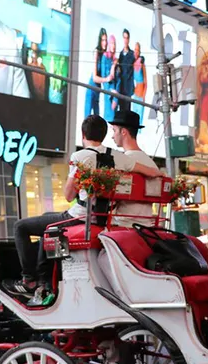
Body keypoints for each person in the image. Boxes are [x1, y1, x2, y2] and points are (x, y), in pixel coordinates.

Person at [8, 115, 160, 303]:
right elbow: (152, 172)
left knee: (21, 227)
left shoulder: (80, 157)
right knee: (48, 220)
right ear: (103, 135)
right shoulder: (118, 157)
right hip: (102, 217)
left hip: (81, 216)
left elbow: (68, 196)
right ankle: (43, 278)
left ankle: (29, 280)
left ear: (83, 135)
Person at [108, 109, 159, 227]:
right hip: (146, 226)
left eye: (114, 131)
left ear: (124, 132)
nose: (112, 136)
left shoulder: (122, 161)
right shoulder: (151, 164)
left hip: (122, 224)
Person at [85, 28, 115, 117]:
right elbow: (94, 77)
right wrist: (107, 79)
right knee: (87, 118)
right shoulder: (97, 52)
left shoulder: (105, 55)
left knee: (97, 118)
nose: (104, 43)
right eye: (102, 40)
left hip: (98, 90)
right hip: (91, 88)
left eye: (106, 40)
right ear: (99, 40)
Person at [117, 29, 135, 112]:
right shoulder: (120, 54)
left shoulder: (132, 54)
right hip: (121, 88)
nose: (125, 40)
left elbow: (139, 59)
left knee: (127, 111)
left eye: (127, 38)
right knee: (121, 111)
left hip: (128, 89)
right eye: (124, 38)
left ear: (129, 39)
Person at [133, 43, 147, 124]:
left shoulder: (142, 64)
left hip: (141, 95)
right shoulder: (133, 63)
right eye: (135, 49)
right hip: (135, 95)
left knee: (139, 120)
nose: (136, 51)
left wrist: (144, 96)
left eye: (138, 50)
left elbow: (146, 82)